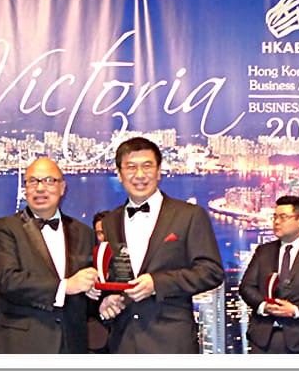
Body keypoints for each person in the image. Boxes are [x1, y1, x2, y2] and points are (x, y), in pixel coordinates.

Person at [96, 137, 224, 353]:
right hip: (124, 341)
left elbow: (211, 271)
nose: (139, 175)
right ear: (119, 174)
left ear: (159, 172)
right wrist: (110, 298)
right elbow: (114, 275)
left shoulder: (189, 215)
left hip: (171, 340)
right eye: (131, 167)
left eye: (147, 166)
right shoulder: (110, 221)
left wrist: (157, 283)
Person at [0, 156, 98, 353]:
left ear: (62, 187)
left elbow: (87, 294)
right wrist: (65, 286)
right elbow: (6, 280)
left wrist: (100, 295)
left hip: (72, 345)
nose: (40, 188)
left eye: (49, 181)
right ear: (25, 189)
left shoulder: (84, 233)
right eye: (33, 181)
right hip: (23, 346)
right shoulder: (5, 228)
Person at [239, 195, 299, 354]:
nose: (276, 222)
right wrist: (264, 306)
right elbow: (246, 286)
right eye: (275, 217)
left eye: (283, 217)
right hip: (263, 339)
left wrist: (296, 310)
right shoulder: (263, 251)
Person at [87, 210, 111, 354]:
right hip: (97, 340)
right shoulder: (87, 264)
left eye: (108, 231)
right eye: (100, 233)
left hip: (127, 336)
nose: (104, 237)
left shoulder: (133, 261)